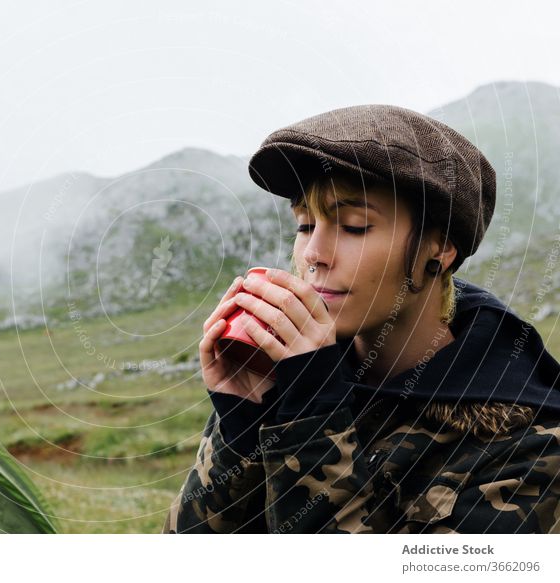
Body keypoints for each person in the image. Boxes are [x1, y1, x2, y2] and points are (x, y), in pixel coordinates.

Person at [162, 104, 560, 534]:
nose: (314, 253)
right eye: (304, 225)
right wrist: (241, 428)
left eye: (354, 226)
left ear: (440, 249)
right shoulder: (288, 380)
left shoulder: (532, 447)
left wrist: (313, 419)